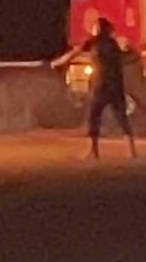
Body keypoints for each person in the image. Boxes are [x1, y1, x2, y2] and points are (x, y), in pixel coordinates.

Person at [52, 17, 139, 160]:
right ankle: (131, 151)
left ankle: (94, 151)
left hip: (101, 85)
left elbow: (74, 53)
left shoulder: (93, 42)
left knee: (94, 117)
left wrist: (57, 63)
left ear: (98, 29)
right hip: (116, 85)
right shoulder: (114, 44)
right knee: (121, 119)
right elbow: (132, 57)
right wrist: (130, 48)